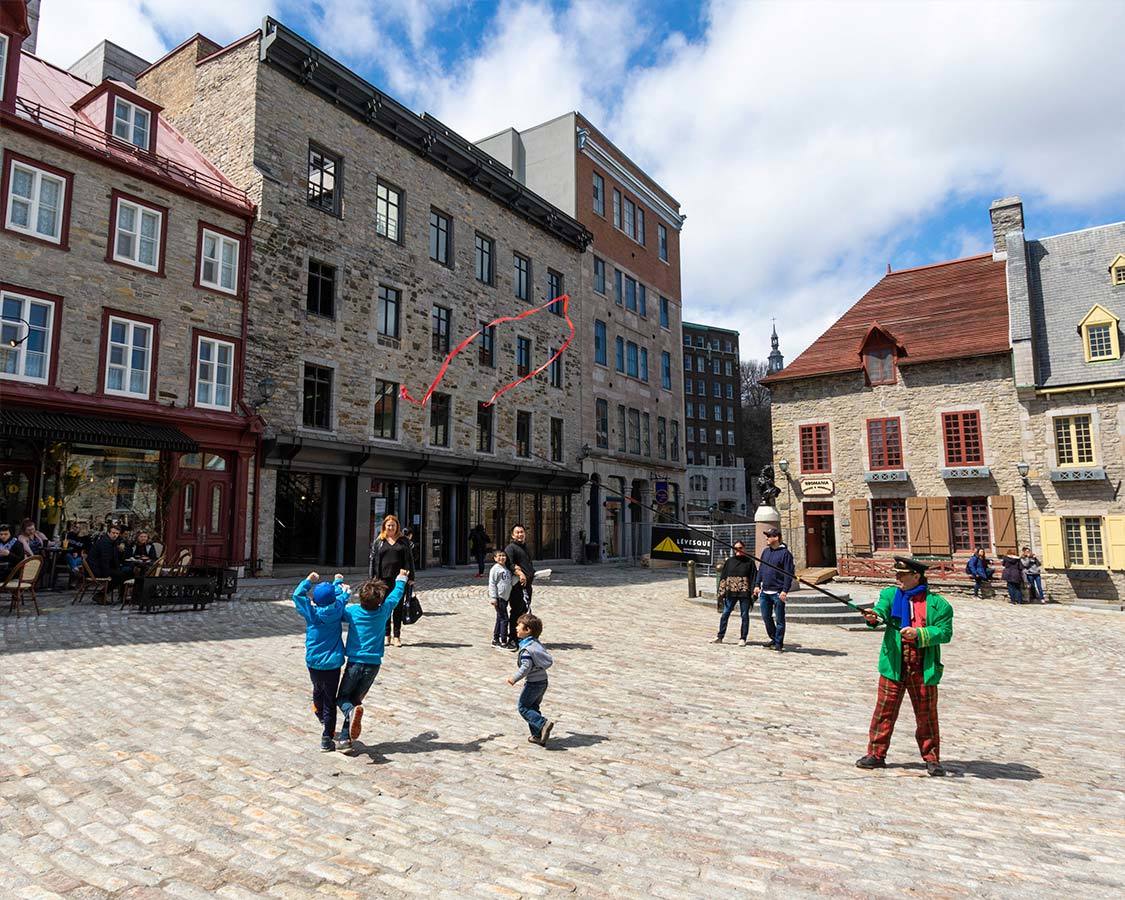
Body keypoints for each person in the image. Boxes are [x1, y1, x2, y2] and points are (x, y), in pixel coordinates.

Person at [856, 556, 953, 777]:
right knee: (884, 712)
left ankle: (932, 758)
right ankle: (876, 754)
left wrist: (919, 633)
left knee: (926, 715)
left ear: (916, 576)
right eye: (896, 574)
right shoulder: (890, 595)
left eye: (902, 574)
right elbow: (881, 610)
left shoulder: (938, 605)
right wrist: (874, 617)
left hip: (922, 667)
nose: (897, 578)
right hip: (894, 665)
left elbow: (945, 632)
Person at [335, 568, 410, 749]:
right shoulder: (384, 611)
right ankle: (345, 740)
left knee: (342, 698)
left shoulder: (353, 612)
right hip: (374, 665)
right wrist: (401, 579)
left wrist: (338, 586)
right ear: (380, 600)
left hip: (355, 663)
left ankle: (349, 719)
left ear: (361, 598)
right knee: (355, 700)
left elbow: (337, 609)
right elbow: (396, 596)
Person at [292, 571, 348, 752]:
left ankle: (319, 711)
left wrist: (308, 581)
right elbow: (341, 595)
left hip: (314, 661)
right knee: (330, 700)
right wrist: (338, 580)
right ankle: (326, 738)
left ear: (315, 600)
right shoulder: (338, 608)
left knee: (317, 688)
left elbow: (297, 595)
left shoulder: (312, 613)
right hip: (333, 663)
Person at [505, 612, 555, 747]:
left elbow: (525, 668)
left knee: (523, 707)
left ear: (527, 630)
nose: (516, 628)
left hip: (533, 683)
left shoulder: (527, 650)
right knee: (533, 707)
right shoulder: (535, 643)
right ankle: (538, 735)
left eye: (518, 626)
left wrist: (513, 679)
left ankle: (542, 723)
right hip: (543, 681)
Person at [368, 514, 415, 647]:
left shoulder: (403, 541)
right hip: (382, 579)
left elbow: (409, 559)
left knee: (398, 608)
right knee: (385, 607)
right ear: (384, 526)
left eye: (393, 525)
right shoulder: (379, 541)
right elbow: (373, 560)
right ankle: (386, 635)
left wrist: (410, 577)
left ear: (397, 527)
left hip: (399, 579)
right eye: (388, 525)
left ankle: (397, 636)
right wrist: (372, 579)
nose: (390, 528)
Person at [753, 527, 794, 651]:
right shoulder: (766, 552)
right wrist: (757, 584)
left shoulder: (785, 554)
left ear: (776, 538)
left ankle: (778, 643)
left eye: (769, 536)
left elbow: (788, 573)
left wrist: (785, 590)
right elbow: (761, 569)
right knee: (766, 617)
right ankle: (774, 638)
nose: (767, 538)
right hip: (765, 591)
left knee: (780, 619)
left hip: (777, 592)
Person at [711, 540, 757, 646]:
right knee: (725, 614)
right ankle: (720, 636)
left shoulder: (749, 562)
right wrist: (721, 592)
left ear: (744, 548)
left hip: (744, 593)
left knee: (744, 615)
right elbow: (724, 577)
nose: (738, 550)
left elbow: (754, 577)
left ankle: (743, 638)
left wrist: (754, 589)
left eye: (740, 548)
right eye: (736, 548)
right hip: (731, 593)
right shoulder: (729, 562)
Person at [504, 524, 536, 649]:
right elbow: (510, 564)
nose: (520, 534)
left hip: (527, 586)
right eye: (517, 532)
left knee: (524, 612)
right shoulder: (511, 548)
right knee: (516, 612)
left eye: (522, 532)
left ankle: (521, 636)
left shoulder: (526, 548)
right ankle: (512, 638)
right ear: (512, 535)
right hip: (517, 586)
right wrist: (520, 573)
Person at [88, 524, 127, 599]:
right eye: (113, 533)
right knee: (121, 575)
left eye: (117, 533)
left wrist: (121, 551)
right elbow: (104, 560)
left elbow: (115, 558)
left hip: (101, 567)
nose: (115, 535)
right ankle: (100, 595)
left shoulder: (112, 542)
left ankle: (121, 596)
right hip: (96, 569)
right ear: (108, 533)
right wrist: (107, 574)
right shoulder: (104, 543)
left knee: (123, 573)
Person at [488, 548, 514, 649]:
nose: (502, 558)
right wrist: (493, 597)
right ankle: (503, 641)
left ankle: (495, 639)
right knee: (504, 619)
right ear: (495, 558)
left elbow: (510, 581)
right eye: (499, 556)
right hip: (499, 597)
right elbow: (492, 583)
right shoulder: (495, 569)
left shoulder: (506, 569)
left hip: (505, 597)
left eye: (504, 556)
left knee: (500, 618)